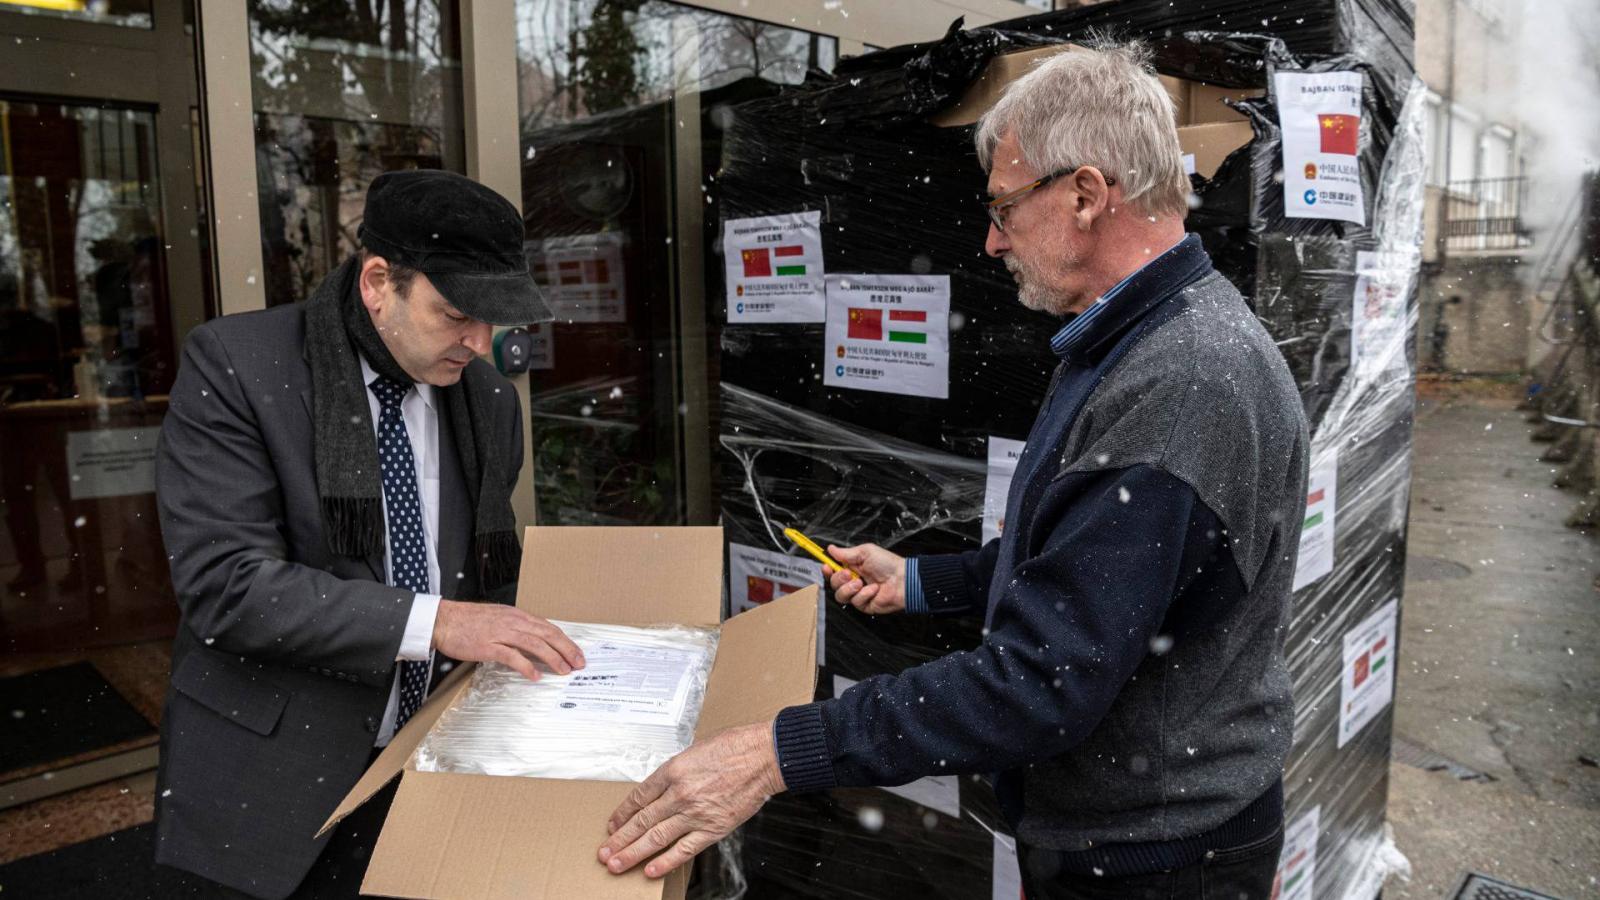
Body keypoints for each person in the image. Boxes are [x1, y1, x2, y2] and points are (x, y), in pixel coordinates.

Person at [596, 42, 1311, 900]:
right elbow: (1089, 566)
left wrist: (777, 753)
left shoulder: (1181, 381)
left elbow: (1043, 681)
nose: (989, 237)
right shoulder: (1145, 340)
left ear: (1085, 195)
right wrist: (921, 582)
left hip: (1154, 860)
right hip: (1144, 830)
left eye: (1004, 208)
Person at [154, 169, 586, 899]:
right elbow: (224, 584)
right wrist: (437, 622)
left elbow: (487, 575)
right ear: (378, 281)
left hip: (428, 764)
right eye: (456, 314)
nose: (479, 344)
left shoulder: (483, 399)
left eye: (495, 319)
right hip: (272, 773)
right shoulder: (237, 365)